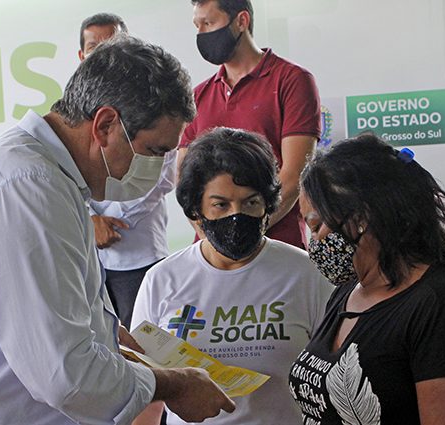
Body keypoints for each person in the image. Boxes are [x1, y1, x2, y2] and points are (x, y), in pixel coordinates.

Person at [0, 36, 236, 424]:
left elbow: (53, 316)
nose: (161, 168)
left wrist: (108, 336)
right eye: (154, 151)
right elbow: (66, 376)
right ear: (106, 125)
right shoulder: (28, 190)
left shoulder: (48, 178)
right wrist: (174, 385)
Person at [131, 128, 332, 425]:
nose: (236, 216)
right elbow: (145, 390)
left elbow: (334, 379)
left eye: (251, 203)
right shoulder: (162, 279)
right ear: (196, 209)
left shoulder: (307, 274)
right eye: (221, 205)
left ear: (268, 204)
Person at [290, 134, 445, 424]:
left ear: (362, 217)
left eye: (317, 225)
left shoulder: (444, 308)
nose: (314, 242)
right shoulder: (347, 292)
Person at [179, 0, 321, 249]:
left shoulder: (292, 81)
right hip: (210, 253)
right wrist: (214, 238)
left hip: (277, 247)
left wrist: (245, 235)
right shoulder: (198, 96)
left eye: (208, 23)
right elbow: (184, 179)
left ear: (241, 21)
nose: (201, 33)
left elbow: (294, 174)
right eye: (197, 25)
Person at [78, 13, 175, 329]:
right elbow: (69, 172)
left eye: (113, 44)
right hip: (92, 257)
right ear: (81, 56)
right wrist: (90, 220)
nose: (104, 55)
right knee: (100, 338)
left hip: (141, 253)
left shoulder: (154, 101)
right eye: (94, 47)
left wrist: (112, 220)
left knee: (145, 342)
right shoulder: (75, 111)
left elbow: (162, 171)